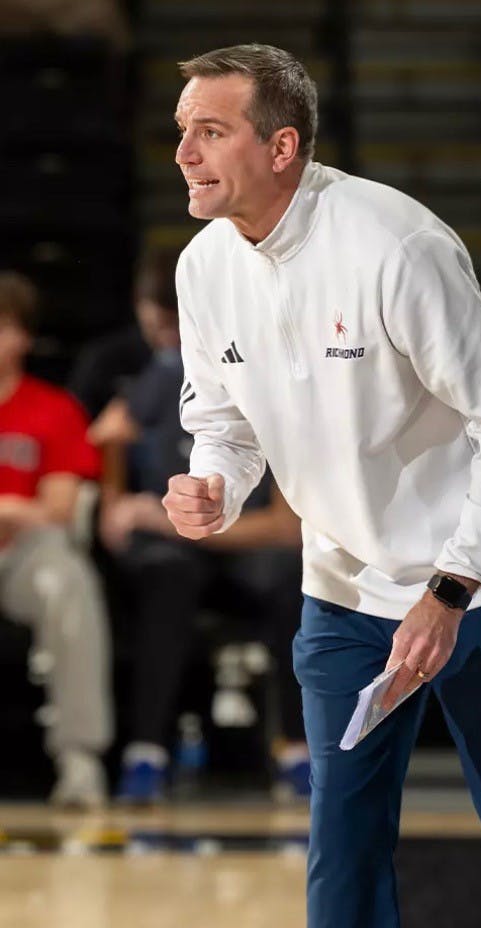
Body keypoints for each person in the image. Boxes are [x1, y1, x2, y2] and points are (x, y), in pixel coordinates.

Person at [161, 44, 481, 928]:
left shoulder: (397, 247)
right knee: (341, 839)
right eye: (182, 132)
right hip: (345, 585)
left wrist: (449, 591)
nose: (184, 153)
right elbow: (223, 419)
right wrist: (214, 484)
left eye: (209, 132)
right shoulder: (202, 268)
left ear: (281, 148)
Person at [88, 246, 307, 804]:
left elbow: (286, 527)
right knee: (169, 577)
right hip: (185, 542)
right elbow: (110, 434)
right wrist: (116, 501)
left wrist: (157, 517)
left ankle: (299, 747)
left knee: (295, 574)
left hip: (239, 540)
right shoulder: (164, 374)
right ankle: (147, 751)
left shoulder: (274, 372)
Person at [0, 270, 113, 809]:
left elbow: (59, 510)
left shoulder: (53, 409)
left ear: (23, 335)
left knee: (68, 580)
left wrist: (23, 512)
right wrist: (17, 506)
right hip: (20, 530)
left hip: (27, 555)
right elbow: (34, 505)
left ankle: (79, 758)